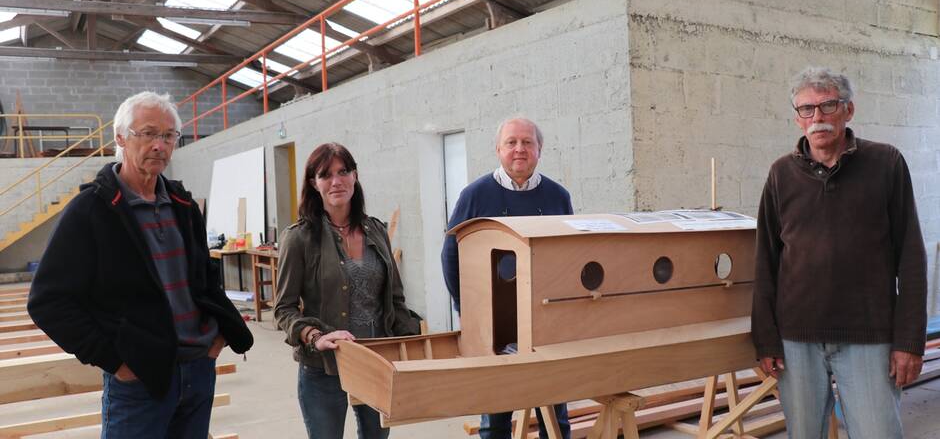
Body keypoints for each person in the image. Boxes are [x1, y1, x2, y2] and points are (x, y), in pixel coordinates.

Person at [27, 91, 254, 439]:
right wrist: (116, 362)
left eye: (168, 136)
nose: (159, 145)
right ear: (120, 137)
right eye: (147, 133)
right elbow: (47, 302)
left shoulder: (182, 204)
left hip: (198, 370)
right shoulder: (92, 210)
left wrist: (218, 338)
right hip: (140, 381)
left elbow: (205, 280)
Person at [751, 67, 927, 438]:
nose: (817, 118)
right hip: (796, 341)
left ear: (849, 110)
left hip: (869, 336)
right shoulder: (781, 174)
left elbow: (911, 257)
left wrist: (910, 341)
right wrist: (765, 337)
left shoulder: (886, 164)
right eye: (807, 109)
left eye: (828, 106)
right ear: (797, 119)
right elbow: (765, 260)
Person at [275, 142, 419, 439]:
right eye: (326, 175)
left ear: (355, 176)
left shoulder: (376, 231)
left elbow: (395, 299)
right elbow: (283, 310)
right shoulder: (299, 238)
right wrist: (315, 336)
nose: (336, 181)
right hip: (324, 367)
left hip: (376, 361)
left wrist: (412, 344)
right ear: (314, 184)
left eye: (343, 171)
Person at [442, 117, 572, 439]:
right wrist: (468, 310)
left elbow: (570, 256)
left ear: (539, 149)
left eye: (527, 142)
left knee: (555, 414)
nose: (519, 149)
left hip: (546, 322)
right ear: (498, 149)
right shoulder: (475, 195)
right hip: (494, 326)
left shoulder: (558, 196)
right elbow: (450, 255)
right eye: (512, 142)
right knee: (497, 415)